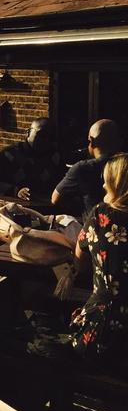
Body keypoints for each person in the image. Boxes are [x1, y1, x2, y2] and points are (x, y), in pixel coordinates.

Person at [69, 153, 128, 365]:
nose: (103, 185)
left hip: (100, 334)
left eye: (107, 180)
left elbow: (79, 261)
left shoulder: (99, 216)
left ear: (116, 184)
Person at [53, 119, 123, 219]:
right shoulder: (123, 165)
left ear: (91, 141)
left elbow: (55, 199)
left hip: (96, 228)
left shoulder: (83, 168)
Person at [0, 118, 62, 205]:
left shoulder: (54, 157)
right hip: (14, 207)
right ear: (28, 132)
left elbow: (61, 183)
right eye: (41, 134)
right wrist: (16, 190)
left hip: (46, 207)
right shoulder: (8, 154)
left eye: (50, 136)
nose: (44, 139)